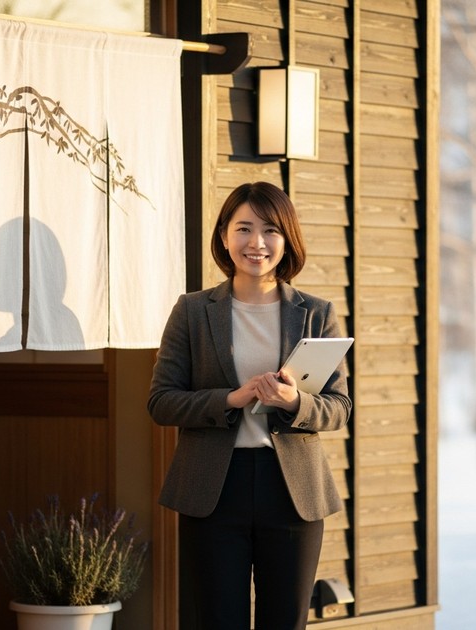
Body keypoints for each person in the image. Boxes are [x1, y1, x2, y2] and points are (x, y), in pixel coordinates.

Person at [148, 181, 352, 630]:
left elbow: (338, 407)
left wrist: (294, 401)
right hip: (213, 489)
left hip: (293, 491)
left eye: (270, 230)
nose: (256, 242)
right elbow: (161, 402)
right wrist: (231, 398)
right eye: (243, 228)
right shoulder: (192, 311)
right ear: (224, 235)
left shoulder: (316, 313)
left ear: (287, 239)